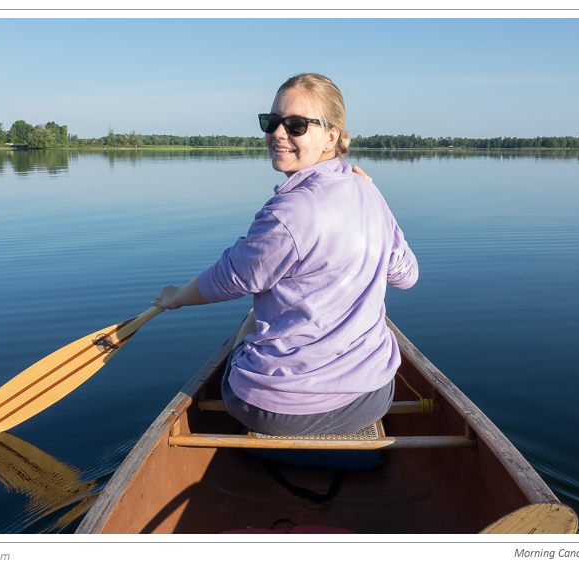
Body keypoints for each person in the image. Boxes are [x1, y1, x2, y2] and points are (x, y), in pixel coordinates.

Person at [152, 72, 418, 436]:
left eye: (295, 125)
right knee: (261, 306)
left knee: (249, 322)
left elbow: (229, 278)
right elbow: (406, 275)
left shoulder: (289, 213)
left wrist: (176, 297)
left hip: (278, 409)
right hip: (371, 396)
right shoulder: (368, 192)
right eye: (272, 121)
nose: (278, 133)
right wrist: (378, 203)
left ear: (332, 136)